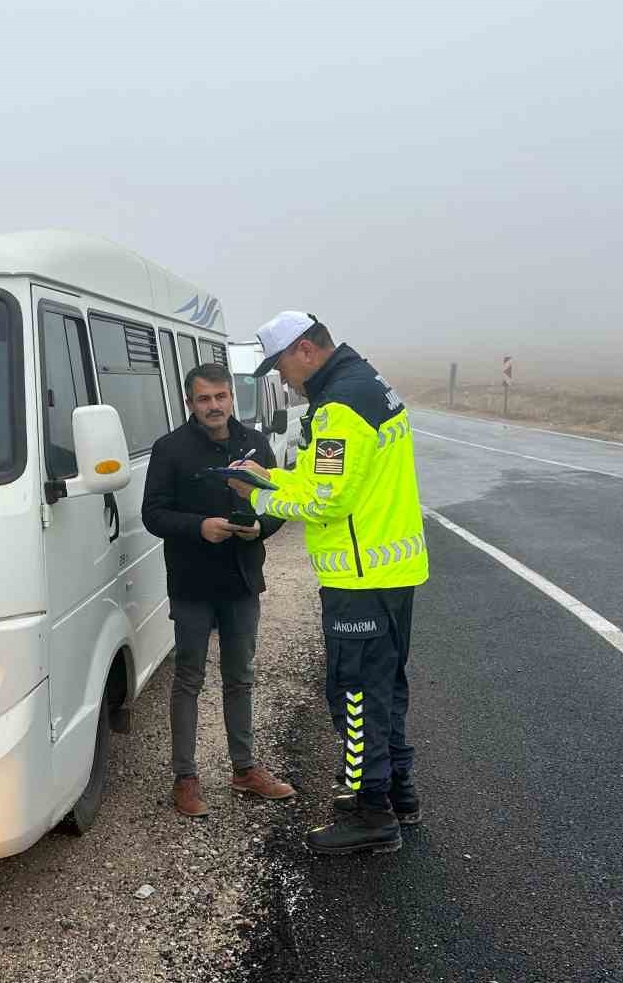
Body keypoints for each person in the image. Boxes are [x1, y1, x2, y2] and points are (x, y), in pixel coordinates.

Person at [228, 312, 429, 856]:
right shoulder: (368, 386)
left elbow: (327, 500)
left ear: (305, 351)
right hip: (391, 569)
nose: (283, 380)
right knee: (387, 686)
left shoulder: (339, 407)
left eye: (281, 367)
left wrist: (259, 499)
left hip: (360, 576)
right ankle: (397, 791)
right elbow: (327, 478)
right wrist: (272, 477)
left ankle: (371, 813)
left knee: (355, 695)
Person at [142, 361, 295, 818]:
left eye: (221, 397)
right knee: (189, 679)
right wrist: (199, 526)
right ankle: (185, 779)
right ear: (190, 403)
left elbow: (277, 504)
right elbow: (153, 514)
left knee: (240, 677)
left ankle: (244, 769)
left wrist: (260, 530)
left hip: (242, 579)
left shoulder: (255, 444)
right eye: (204, 398)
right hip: (192, 582)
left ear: (232, 398)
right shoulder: (169, 449)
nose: (214, 406)